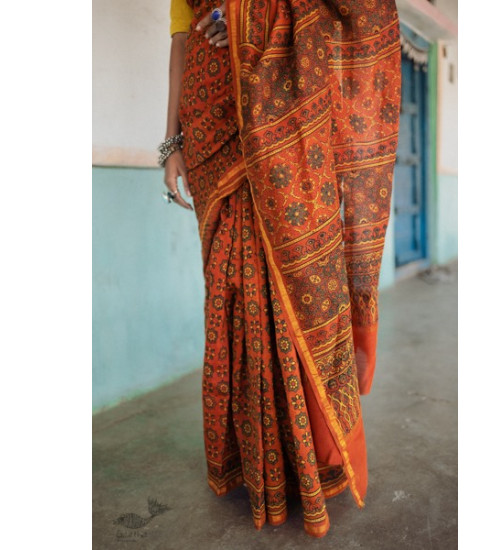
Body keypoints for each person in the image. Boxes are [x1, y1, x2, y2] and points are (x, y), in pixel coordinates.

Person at [161, 0, 401, 538]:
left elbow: (354, 13)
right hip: (210, 132)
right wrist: (172, 141)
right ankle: (252, 462)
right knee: (231, 299)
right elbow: (180, 44)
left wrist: (248, 17)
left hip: (280, 129)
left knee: (301, 295)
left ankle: (309, 464)